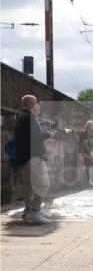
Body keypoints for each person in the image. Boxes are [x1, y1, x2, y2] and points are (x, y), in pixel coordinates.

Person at [14, 95, 52, 224]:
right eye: (37, 104)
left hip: (25, 157)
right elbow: (35, 138)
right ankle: (35, 212)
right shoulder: (30, 118)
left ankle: (28, 213)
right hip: (34, 156)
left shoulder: (21, 117)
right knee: (42, 184)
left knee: (29, 187)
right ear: (31, 104)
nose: (38, 107)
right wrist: (47, 135)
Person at [79, 120, 93, 186]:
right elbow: (84, 144)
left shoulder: (85, 132)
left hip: (84, 152)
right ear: (89, 126)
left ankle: (89, 181)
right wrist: (90, 153)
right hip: (85, 153)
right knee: (91, 166)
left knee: (89, 166)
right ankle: (90, 181)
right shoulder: (85, 132)